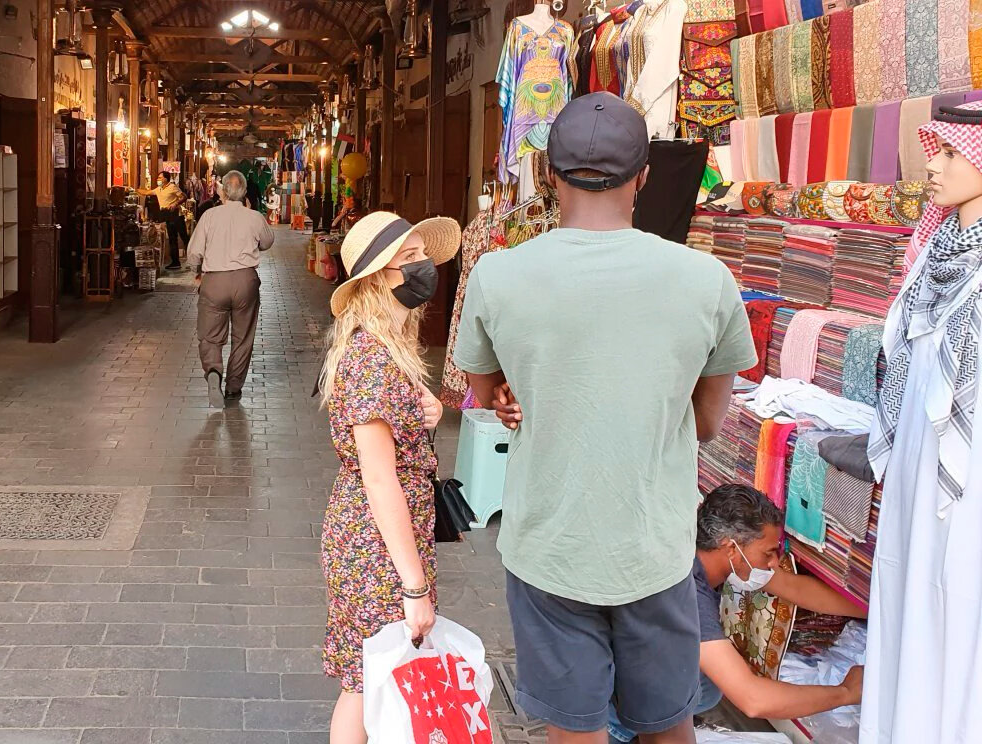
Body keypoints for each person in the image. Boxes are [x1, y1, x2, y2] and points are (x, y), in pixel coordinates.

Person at [453, 92, 758, 744]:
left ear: (547, 175)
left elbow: (487, 392)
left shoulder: (497, 275)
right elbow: (705, 424)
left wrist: (521, 393)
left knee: (574, 729)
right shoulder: (706, 280)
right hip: (654, 548)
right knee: (669, 725)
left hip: (549, 548)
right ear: (644, 176)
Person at [861, 103, 982, 743]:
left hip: (967, 474)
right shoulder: (937, 246)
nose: (931, 165)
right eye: (933, 150)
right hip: (917, 454)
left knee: (957, 599)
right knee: (908, 587)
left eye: (950, 153)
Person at [317, 211, 460, 743]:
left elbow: (392, 435)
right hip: (375, 547)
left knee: (372, 677)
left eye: (423, 255)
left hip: (382, 542)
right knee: (365, 681)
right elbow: (381, 481)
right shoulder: (372, 360)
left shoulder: (389, 348)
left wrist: (425, 410)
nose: (424, 268)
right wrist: (414, 585)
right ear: (378, 277)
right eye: (409, 260)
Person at [603, 484, 865, 742]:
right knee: (717, 680)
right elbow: (753, 700)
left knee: (710, 683)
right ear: (731, 548)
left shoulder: (702, 554)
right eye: (769, 552)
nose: (774, 562)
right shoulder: (687, 592)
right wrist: (845, 693)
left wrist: (873, 610)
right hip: (608, 721)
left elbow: (790, 585)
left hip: (621, 689)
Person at [185, 170, 275, 409]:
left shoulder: (209, 216)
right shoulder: (254, 217)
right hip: (245, 281)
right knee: (242, 337)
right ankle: (233, 388)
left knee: (210, 335)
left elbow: (194, 252)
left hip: (214, 281)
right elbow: (267, 242)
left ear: (222, 191)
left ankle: (213, 371)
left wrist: (196, 271)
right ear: (244, 192)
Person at [142, 170, 189, 270]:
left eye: (160, 178)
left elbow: (184, 196)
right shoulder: (159, 189)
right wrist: (134, 190)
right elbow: (146, 192)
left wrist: (175, 204)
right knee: (172, 238)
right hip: (167, 215)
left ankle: (193, 259)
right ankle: (175, 262)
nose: (158, 179)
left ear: (165, 179)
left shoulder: (172, 187)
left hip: (177, 214)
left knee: (184, 237)